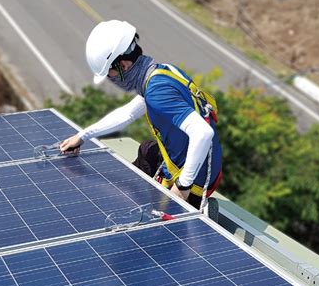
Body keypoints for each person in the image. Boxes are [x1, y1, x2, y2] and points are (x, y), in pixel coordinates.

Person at [60, 20, 222, 208]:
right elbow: (128, 113)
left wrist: (182, 188)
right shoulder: (160, 73)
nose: (110, 79)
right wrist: (82, 136)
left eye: (109, 73)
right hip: (198, 161)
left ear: (123, 65)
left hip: (195, 182)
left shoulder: (156, 92)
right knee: (147, 150)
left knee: (155, 225)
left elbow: (203, 133)